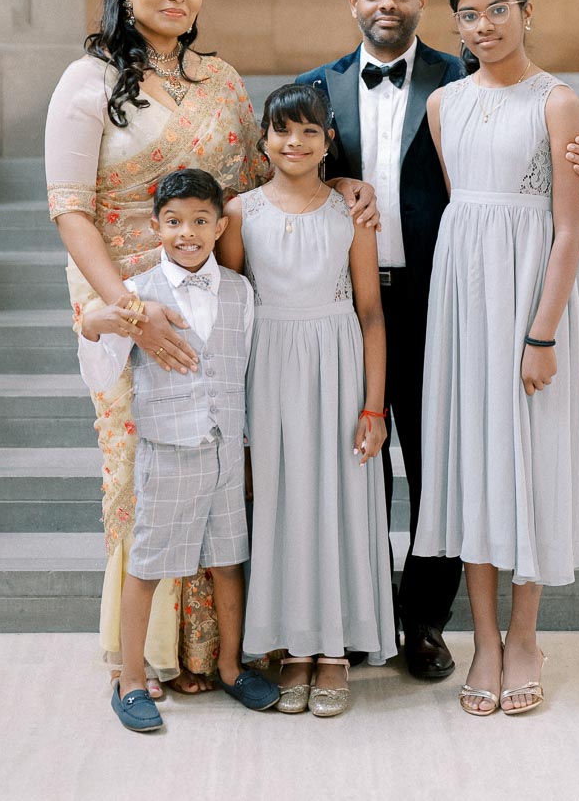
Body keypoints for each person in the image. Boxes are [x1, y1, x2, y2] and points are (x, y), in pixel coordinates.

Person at [45, 0, 378, 690]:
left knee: (222, 459)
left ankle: (214, 654)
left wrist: (347, 186)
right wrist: (132, 309)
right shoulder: (86, 81)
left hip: (216, 293)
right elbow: (70, 210)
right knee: (143, 467)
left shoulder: (222, 81)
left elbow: (256, 189)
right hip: (123, 294)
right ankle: (147, 654)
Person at [296, 0, 579, 681]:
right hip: (355, 309)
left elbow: (532, 168)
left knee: (446, 463)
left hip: (451, 297)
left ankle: (426, 625)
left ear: (419, 2)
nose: (387, 4)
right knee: (357, 467)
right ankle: (355, 617)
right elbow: (286, 169)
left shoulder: (453, 78)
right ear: (352, 1)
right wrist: (335, 180)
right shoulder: (316, 88)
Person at [414, 0, 579, 716]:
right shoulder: (443, 104)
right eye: (468, 14)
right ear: (453, 22)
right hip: (464, 305)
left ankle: (525, 636)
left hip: (528, 303)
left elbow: (566, 229)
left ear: (526, 11)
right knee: (475, 467)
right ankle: (483, 641)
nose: (482, 26)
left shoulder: (558, 101)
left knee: (527, 464)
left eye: (497, 10)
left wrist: (541, 334)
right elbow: (465, 211)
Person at [77, 168, 280, 732]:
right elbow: (100, 363)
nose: (187, 233)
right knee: (148, 564)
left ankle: (231, 666)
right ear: (156, 227)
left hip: (224, 449)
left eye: (199, 221)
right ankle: (131, 678)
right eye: (174, 222)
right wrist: (98, 321)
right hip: (167, 450)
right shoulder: (138, 292)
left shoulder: (241, 291)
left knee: (227, 560)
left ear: (219, 226)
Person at [218, 84, 396, 718]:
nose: (294, 143)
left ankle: (334, 651)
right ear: (264, 138)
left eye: (309, 133)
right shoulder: (240, 213)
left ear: (327, 143)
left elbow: (372, 313)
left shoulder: (349, 213)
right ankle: (293, 645)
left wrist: (374, 408)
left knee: (337, 499)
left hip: (338, 361)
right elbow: (233, 309)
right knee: (283, 501)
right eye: (281, 131)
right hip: (268, 363)